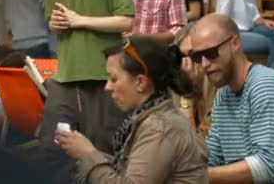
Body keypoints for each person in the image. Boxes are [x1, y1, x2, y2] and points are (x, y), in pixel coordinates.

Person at [42, 0, 135, 183]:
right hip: (66, 74)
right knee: (53, 144)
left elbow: (126, 21)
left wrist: (79, 20)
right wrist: (57, 24)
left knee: (102, 145)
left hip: (104, 74)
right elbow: (51, 22)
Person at [55, 36, 208, 183]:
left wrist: (88, 154)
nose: (107, 87)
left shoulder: (160, 128)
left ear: (140, 82)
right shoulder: (153, 118)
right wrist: (85, 151)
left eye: (114, 79)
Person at [190, 13, 274, 183]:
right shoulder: (223, 94)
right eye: (198, 57)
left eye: (211, 53)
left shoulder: (264, 85)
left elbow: (268, 166)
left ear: (235, 43)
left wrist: (197, 176)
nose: (204, 64)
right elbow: (213, 156)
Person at [173, 23, 217, 137]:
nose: (187, 63)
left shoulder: (221, 92)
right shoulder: (173, 87)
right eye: (182, 56)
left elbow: (193, 147)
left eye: (194, 55)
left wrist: (188, 93)